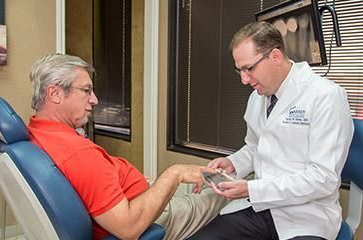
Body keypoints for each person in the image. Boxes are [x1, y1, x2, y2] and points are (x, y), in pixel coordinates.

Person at [27, 53, 228, 240]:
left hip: (134, 198)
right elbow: (128, 228)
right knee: (223, 191)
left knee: (199, 182)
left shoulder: (37, 131)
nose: (94, 99)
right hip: (148, 217)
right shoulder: (79, 154)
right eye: (86, 90)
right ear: (54, 93)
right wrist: (174, 173)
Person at [188, 21, 354, 240]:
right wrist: (234, 162)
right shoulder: (257, 98)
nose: (244, 80)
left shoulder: (326, 97)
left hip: (306, 216)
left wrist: (252, 189)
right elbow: (256, 146)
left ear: (275, 56)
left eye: (249, 68)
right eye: (239, 70)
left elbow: (323, 178)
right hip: (260, 209)